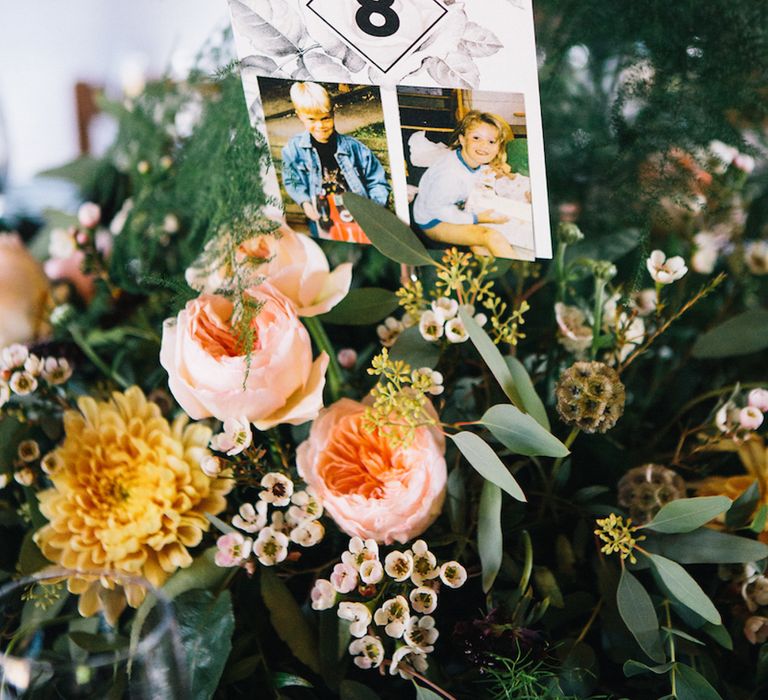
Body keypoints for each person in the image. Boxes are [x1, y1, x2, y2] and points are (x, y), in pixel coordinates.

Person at [281, 82, 390, 240]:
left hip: (359, 216)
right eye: (311, 119)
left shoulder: (355, 149)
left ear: (333, 113)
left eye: (325, 118)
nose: (320, 126)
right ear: (299, 116)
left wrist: (374, 211)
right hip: (323, 217)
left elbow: (377, 181)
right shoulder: (293, 149)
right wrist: (305, 203)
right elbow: (292, 180)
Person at [412, 111, 520, 258]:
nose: (484, 146)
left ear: (498, 146)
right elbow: (437, 210)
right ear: (462, 140)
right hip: (433, 221)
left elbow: (475, 172)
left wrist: (495, 170)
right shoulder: (449, 174)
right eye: (476, 138)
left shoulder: (471, 159)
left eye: (491, 141)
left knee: (479, 241)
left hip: (453, 207)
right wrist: (476, 219)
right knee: (490, 236)